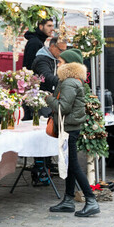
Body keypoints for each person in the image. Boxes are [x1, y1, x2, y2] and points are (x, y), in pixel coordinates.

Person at [46, 49, 100, 217]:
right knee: (69, 165)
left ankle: (91, 200)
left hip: (69, 128)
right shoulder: (72, 81)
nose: (58, 64)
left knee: (74, 165)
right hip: (70, 127)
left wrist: (48, 99)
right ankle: (68, 200)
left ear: (69, 65)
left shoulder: (69, 82)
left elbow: (63, 108)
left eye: (60, 62)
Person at [30, 34, 67, 185]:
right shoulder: (41, 59)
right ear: (52, 47)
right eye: (60, 50)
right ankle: (41, 166)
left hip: (50, 99)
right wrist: (64, 81)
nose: (62, 54)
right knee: (44, 131)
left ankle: (48, 164)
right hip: (40, 100)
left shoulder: (55, 58)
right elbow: (46, 76)